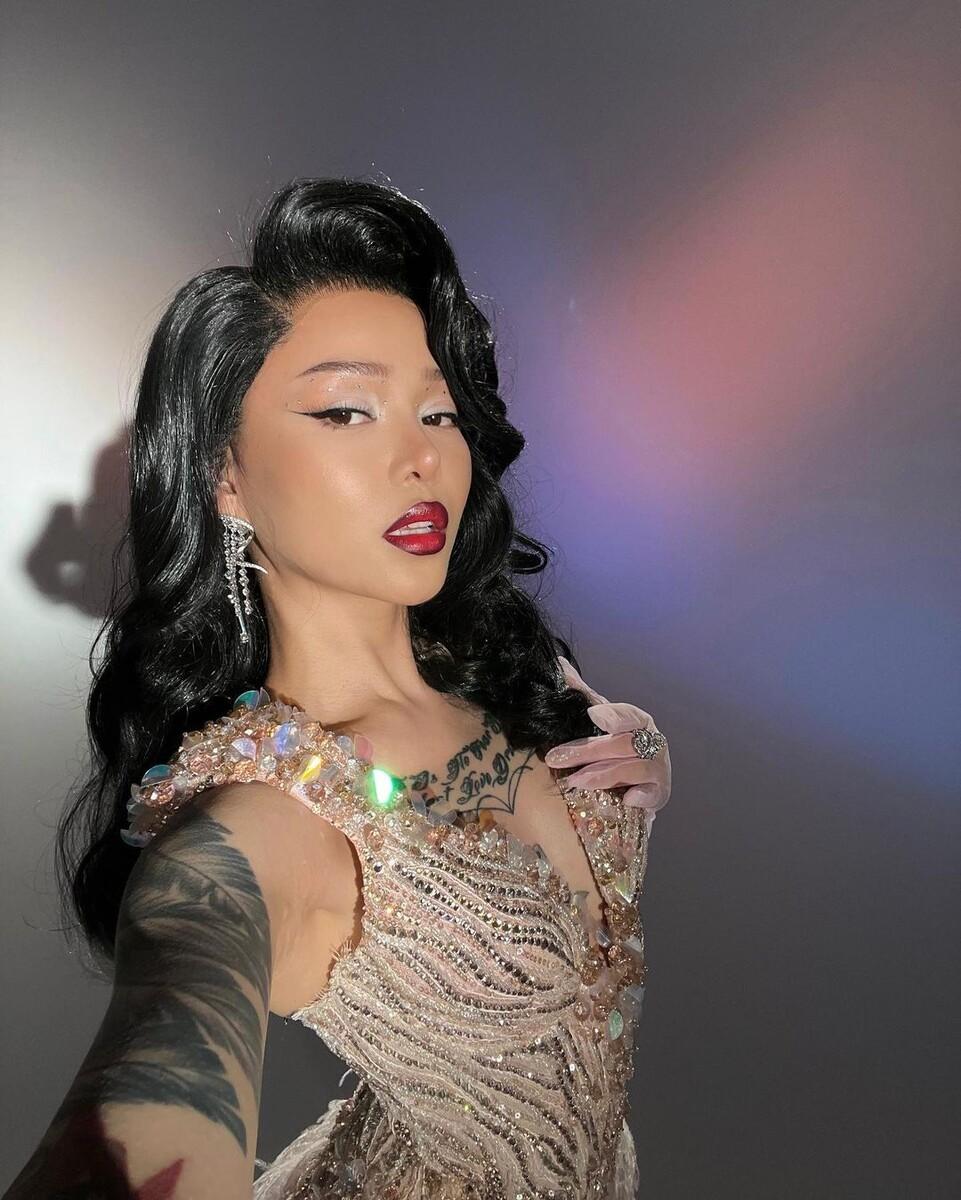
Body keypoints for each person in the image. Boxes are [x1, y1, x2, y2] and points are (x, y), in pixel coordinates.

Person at [5, 177, 672, 1200]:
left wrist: (640, 756)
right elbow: (170, 1041)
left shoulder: (512, 668)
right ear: (225, 475)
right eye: (346, 410)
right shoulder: (262, 822)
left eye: (438, 411)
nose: (421, 456)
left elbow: (589, 807)